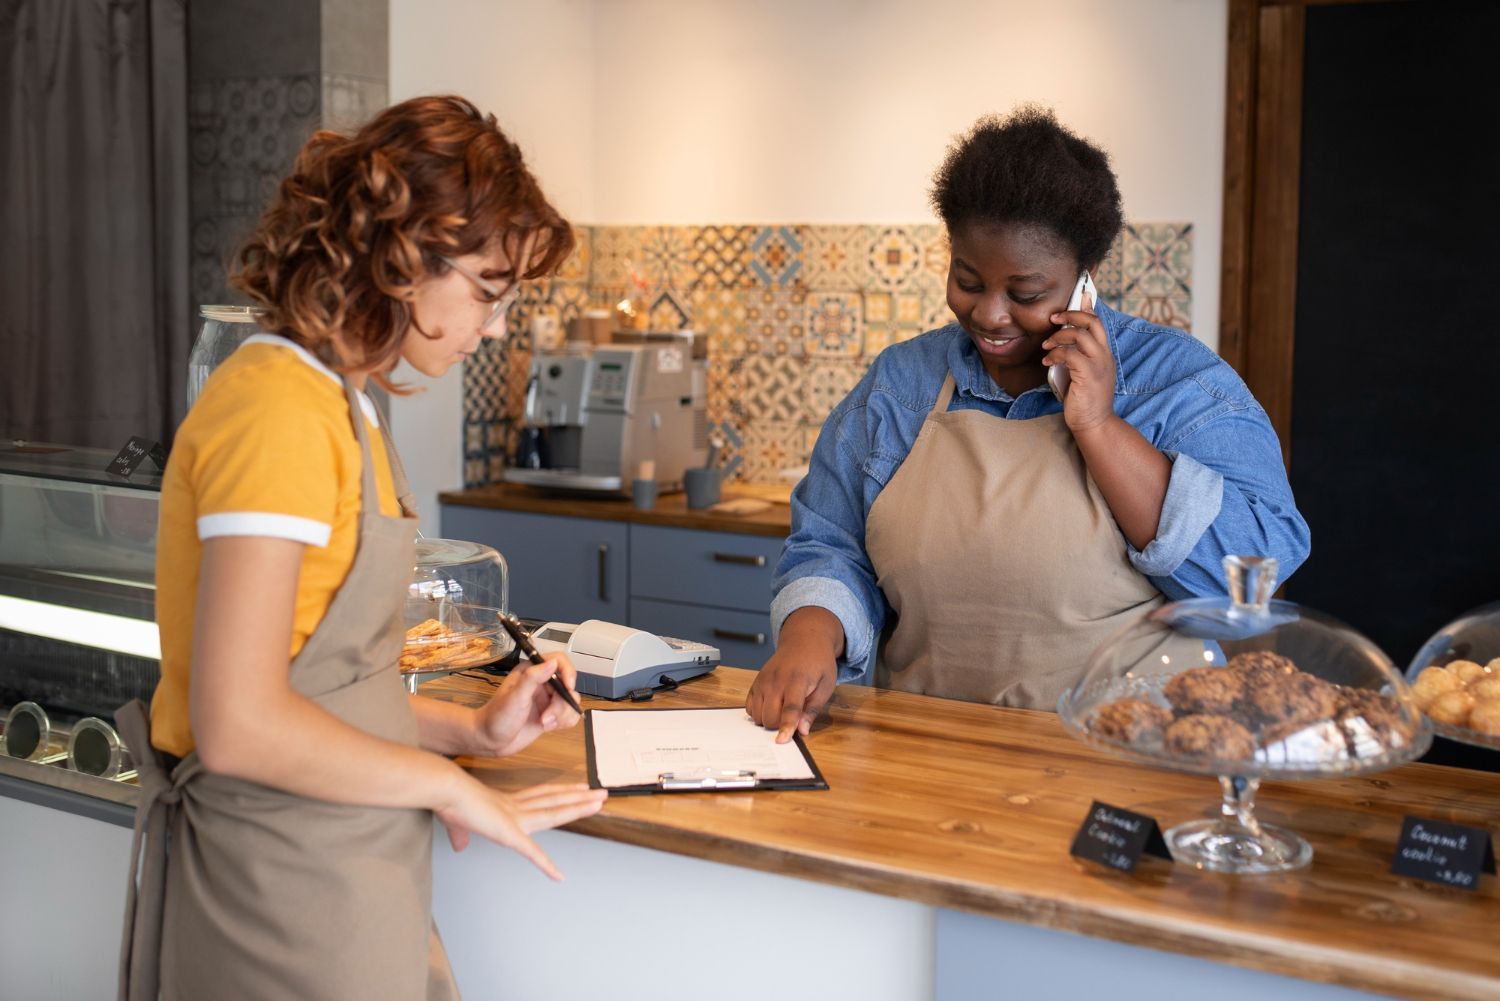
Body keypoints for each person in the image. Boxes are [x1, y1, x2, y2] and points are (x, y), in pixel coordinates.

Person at [117, 95, 607, 1001]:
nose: (494, 328)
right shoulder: (277, 409)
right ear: (404, 254)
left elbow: (317, 685)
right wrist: (453, 789)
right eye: (488, 293)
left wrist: (470, 734)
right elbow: (238, 722)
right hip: (278, 891)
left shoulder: (348, 409)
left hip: (348, 872)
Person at [747, 106, 1311, 740]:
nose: (989, 314)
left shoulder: (1177, 386)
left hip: (1128, 758)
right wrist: (809, 634)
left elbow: (1249, 579)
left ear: (1083, 277)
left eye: (1026, 293)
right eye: (967, 280)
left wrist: (1098, 424)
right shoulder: (901, 386)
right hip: (927, 748)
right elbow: (832, 542)